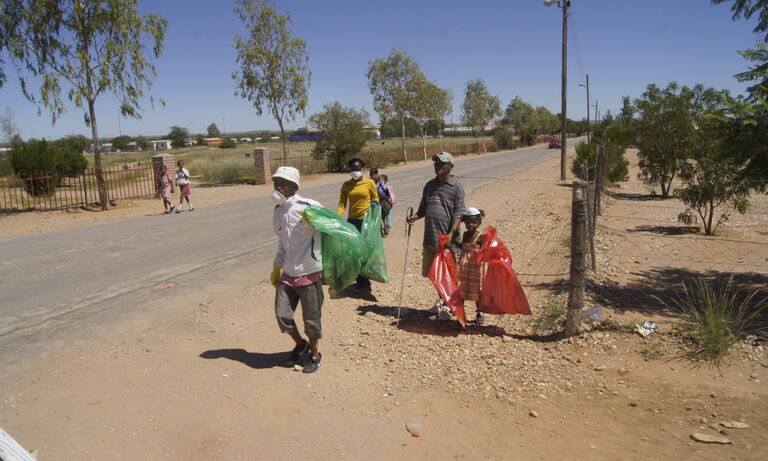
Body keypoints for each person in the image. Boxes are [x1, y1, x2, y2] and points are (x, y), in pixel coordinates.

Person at [271, 166, 324, 373]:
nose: (277, 185)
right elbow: (282, 243)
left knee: (312, 319)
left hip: (309, 273)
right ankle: (300, 344)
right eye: (275, 181)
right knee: (282, 315)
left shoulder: (309, 206)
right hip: (288, 274)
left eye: (282, 182)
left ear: (294, 186)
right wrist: (277, 267)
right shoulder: (278, 210)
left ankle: (314, 353)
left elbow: (332, 231)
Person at [406, 152, 465, 320]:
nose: (438, 166)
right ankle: (442, 300)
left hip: (447, 240)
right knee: (434, 273)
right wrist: (415, 217)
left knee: (448, 273)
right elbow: (423, 208)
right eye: (436, 163)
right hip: (430, 237)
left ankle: (448, 305)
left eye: (442, 163)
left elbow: (459, 212)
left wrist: (451, 233)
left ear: (451, 166)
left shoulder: (456, 187)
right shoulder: (429, 185)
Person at [337, 156, 378, 297]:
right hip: (352, 222)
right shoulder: (346, 185)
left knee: (364, 252)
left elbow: (375, 198)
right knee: (354, 253)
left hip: (365, 222)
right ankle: (359, 281)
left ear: (363, 169)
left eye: (358, 169)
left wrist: (375, 205)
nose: (355, 172)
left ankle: (364, 283)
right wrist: (338, 217)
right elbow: (342, 204)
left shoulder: (369, 183)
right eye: (353, 169)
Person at [457, 208, 486, 325]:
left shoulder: (480, 237)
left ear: (479, 223)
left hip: (475, 268)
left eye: (474, 222)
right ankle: (460, 314)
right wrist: (452, 242)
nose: (471, 224)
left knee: (477, 291)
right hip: (464, 267)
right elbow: (463, 247)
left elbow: (485, 251)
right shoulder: (464, 234)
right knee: (460, 289)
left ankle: (480, 313)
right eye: (468, 222)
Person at [371, 171, 392, 236]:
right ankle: (386, 227)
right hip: (384, 204)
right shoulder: (383, 186)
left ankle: (382, 229)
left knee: (378, 217)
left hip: (378, 204)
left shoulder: (375, 186)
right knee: (384, 216)